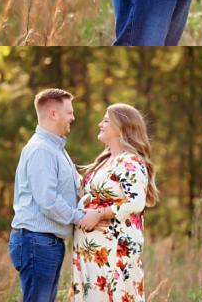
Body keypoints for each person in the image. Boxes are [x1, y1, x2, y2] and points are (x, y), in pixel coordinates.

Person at [10, 89, 103, 302]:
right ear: (53, 114)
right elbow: (48, 201)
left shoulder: (57, 149)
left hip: (46, 241)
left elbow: (79, 187)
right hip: (36, 240)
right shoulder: (41, 150)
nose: (73, 117)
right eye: (69, 112)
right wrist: (80, 217)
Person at [71, 103, 158, 301]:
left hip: (114, 253)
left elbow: (136, 203)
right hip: (90, 253)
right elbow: (85, 192)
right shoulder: (104, 161)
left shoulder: (130, 162)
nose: (100, 124)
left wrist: (100, 214)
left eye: (106, 120)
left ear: (122, 127)